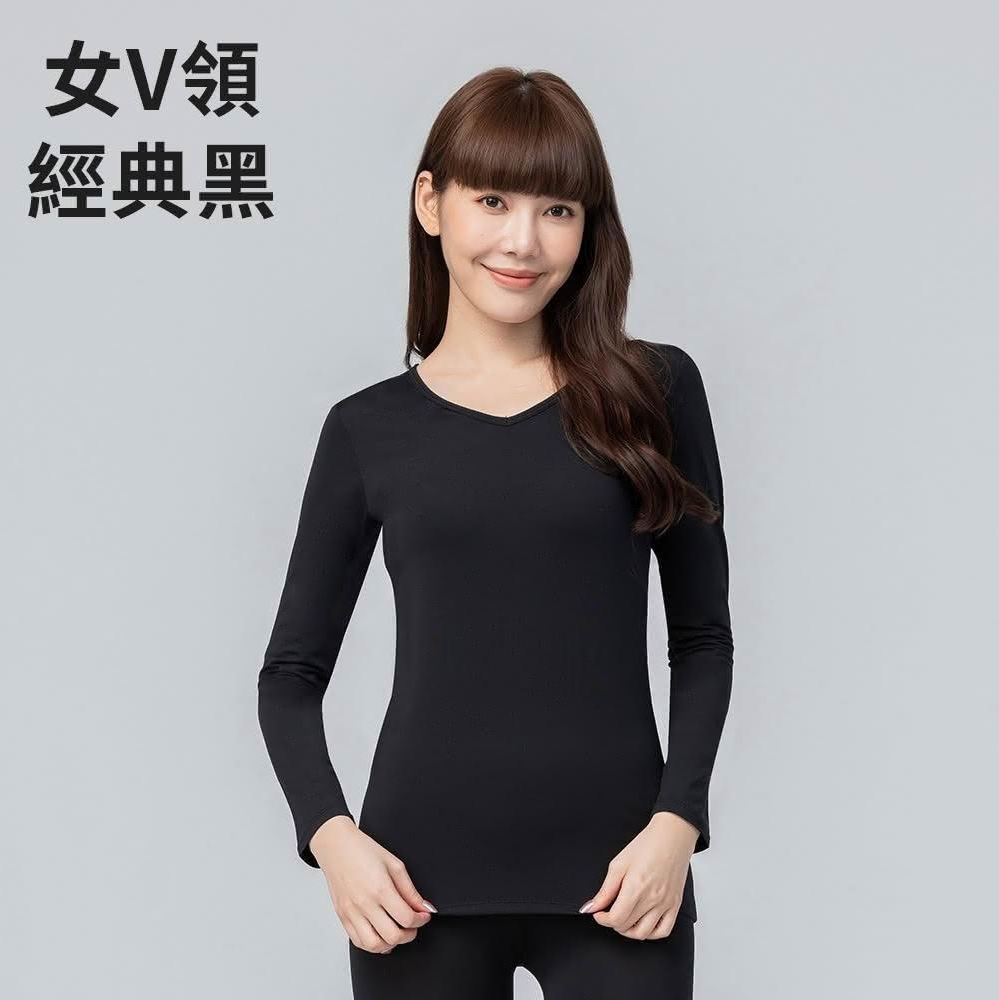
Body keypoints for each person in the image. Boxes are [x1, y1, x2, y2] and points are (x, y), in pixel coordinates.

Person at [257, 66, 734, 1000]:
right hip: (414, 892)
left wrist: (678, 825)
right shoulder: (367, 430)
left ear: (589, 227)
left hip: (624, 884)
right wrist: (333, 839)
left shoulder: (654, 392)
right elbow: (290, 675)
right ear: (430, 203)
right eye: (492, 201)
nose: (524, 241)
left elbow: (702, 638)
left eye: (558, 209)